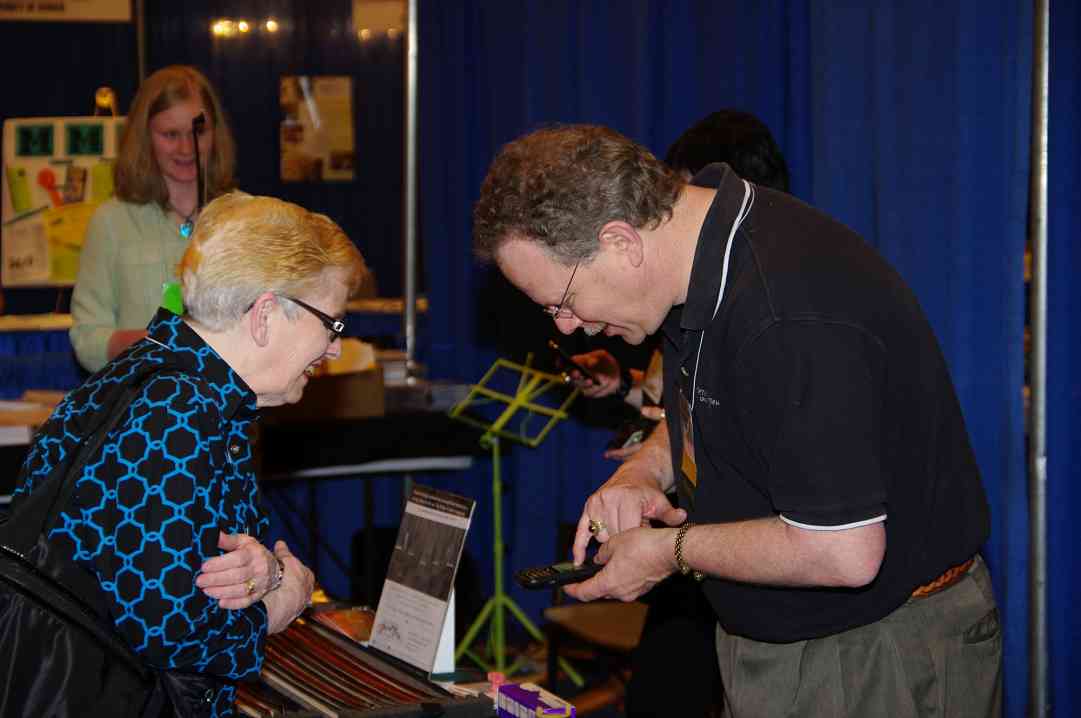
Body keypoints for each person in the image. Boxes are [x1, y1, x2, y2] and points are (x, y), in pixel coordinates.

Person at [473, 125, 1000, 717]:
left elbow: (843, 552)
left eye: (563, 301)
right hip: (787, 641)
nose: (566, 327)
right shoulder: (691, 257)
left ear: (621, 241)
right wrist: (644, 471)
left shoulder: (787, 315)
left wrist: (667, 552)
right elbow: (712, 399)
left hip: (874, 653)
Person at [12, 191, 369, 715]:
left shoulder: (156, 376)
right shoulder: (180, 413)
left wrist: (263, 570)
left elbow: (161, 568)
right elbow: (167, 631)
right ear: (266, 313)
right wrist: (280, 603)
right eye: (332, 324)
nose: (334, 348)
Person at [566, 110, 791, 718]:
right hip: (692, 538)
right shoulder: (689, 299)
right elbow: (678, 405)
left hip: (737, 548)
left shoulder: (771, 299)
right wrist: (626, 400)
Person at [71, 65, 236, 373]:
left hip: (227, 412)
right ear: (144, 137)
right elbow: (87, 338)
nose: (187, 148)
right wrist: (152, 344)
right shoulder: (111, 222)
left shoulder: (244, 218)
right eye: (171, 135)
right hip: (142, 411)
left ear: (216, 133)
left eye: (198, 132)